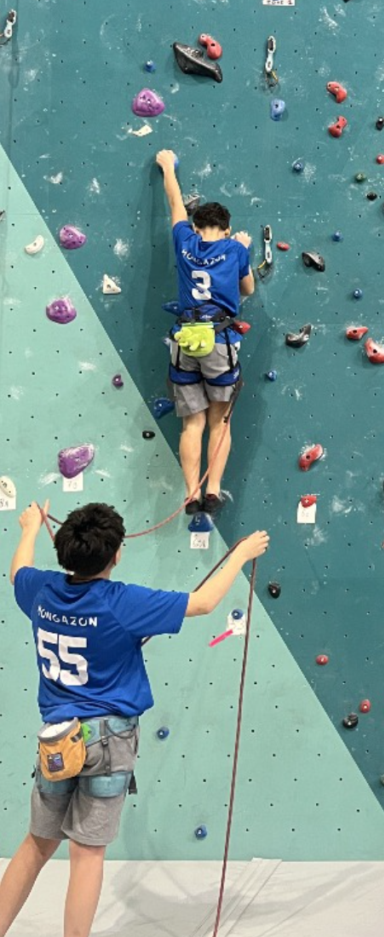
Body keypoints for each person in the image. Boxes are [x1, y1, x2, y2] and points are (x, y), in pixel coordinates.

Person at [0, 501, 269, 937]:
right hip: (108, 743)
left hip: (56, 740)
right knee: (88, 853)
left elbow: (18, 572)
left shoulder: (41, 590)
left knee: (36, 843)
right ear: (116, 554)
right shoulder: (121, 602)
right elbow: (202, 603)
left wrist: (30, 526)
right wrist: (240, 554)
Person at [155, 149, 255, 516]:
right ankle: (212, 490)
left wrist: (168, 167)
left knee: (192, 423)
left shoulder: (185, 241)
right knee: (220, 420)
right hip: (219, 341)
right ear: (226, 229)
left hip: (185, 341)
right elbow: (247, 290)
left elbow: (175, 204)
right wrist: (242, 248)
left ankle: (190, 493)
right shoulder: (234, 248)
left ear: (197, 228)